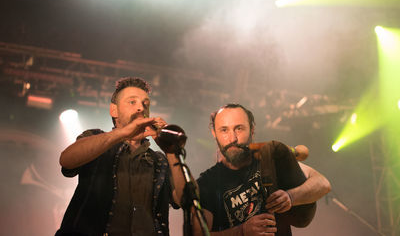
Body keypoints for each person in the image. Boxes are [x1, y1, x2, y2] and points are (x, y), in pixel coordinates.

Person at [55, 77, 185, 236]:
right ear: (114, 110)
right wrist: (123, 133)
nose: (140, 108)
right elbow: (67, 160)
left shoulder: (160, 160)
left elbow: (183, 199)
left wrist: (171, 151)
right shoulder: (96, 139)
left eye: (145, 104)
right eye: (132, 102)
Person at [193, 103, 331, 236]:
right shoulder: (206, 184)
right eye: (224, 130)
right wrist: (241, 232)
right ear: (214, 133)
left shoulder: (269, 159)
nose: (232, 138)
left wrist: (291, 196)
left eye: (239, 128)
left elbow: (322, 183)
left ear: (252, 129)